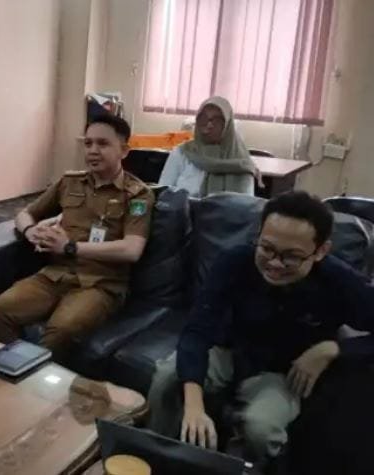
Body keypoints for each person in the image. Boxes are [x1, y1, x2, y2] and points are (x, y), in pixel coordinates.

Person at [146, 191, 374, 470]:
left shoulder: (338, 281)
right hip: (228, 352)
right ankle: (154, 455)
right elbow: (197, 331)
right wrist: (194, 406)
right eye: (267, 248)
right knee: (166, 379)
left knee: (262, 429)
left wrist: (333, 349)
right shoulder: (234, 262)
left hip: (282, 373)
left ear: (320, 251)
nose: (275, 264)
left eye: (291, 257)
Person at [0, 114, 154, 356]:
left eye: (103, 144)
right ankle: (13, 371)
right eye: (88, 143)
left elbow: (131, 249)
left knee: (60, 331)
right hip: (54, 275)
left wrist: (70, 247)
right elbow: (25, 214)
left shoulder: (137, 194)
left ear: (124, 151)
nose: (93, 151)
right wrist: (31, 231)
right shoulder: (70, 182)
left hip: (101, 284)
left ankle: (34, 379)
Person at [159, 96, 259, 196]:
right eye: (203, 118)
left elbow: (246, 202)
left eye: (217, 120)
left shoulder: (241, 163)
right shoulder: (183, 152)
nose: (209, 125)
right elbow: (163, 191)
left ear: (227, 125)